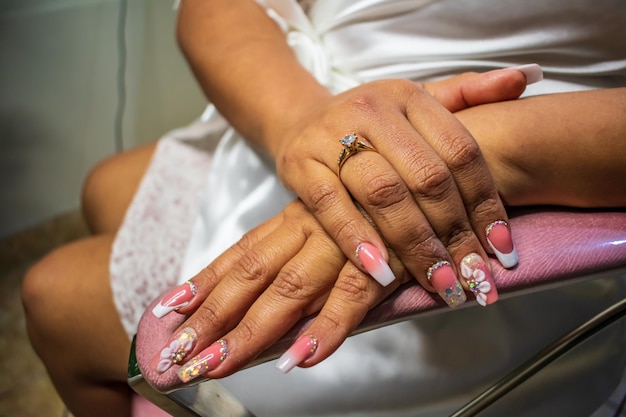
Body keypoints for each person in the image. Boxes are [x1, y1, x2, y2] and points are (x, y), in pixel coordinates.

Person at [21, 0, 626, 416]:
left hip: (550, 155)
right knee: (104, 187)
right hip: (309, 111)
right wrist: (301, 123)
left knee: (54, 298)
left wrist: (455, 158)